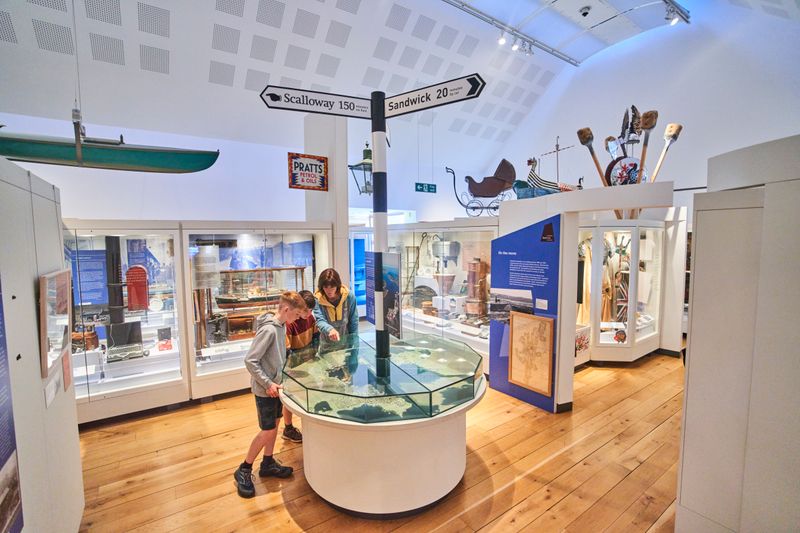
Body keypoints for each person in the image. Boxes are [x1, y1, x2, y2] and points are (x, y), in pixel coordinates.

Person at [234, 291, 306, 499]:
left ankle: (267, 462)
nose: (296, 320)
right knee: (267, 431)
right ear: (286, 310)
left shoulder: (282, 327)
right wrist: (267, 383)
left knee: (274, 426)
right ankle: (244, 469)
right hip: (265, 390)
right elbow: (250, 361)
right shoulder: (269, 330)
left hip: (276, 388)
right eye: (295, 315)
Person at [281, 289, 319, 443]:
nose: (308, 313)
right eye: (305, 310)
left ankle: (311, 423)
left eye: (311, 310)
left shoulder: (311, 319)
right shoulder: (290, 324)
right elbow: (287, 349)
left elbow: (316, 338)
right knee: (290, 397)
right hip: (293, 367)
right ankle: (288, 427)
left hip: (307, 363)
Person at [313, 268, 358, 344]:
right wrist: (330, 329)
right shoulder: (317, 299)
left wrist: (354, 342)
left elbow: (353, 321)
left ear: (337, 285)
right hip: (326, 344)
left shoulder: (349, 296)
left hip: (346, 343)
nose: (329, 291)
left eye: (332, 287)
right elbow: (319, 320)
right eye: (325, 287)